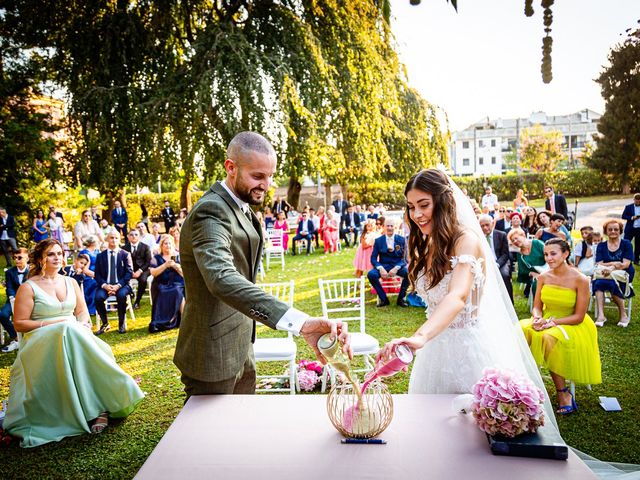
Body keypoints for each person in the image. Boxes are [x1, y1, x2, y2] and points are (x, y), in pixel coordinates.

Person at [173, 131, 350, 396]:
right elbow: (221, 277)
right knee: (213, 435)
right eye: (257, 176)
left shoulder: (241, 207)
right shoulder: (211, 211)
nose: (266, 185)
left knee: (242, 428)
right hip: (213, 353)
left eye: (270, 176)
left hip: (241, 342)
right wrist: (300, 323)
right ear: (230, 167)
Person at [377, 168, 555, 424]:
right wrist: (425, 338)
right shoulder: (429, 241)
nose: (416, 214)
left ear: (444, 201)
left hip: (470, 350)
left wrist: (420, 336)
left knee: (475, 429)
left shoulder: (466, 240)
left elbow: (457, 296)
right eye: (411, 206)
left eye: (424, 205)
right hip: (435, 349)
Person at [3, 238, 144, 447]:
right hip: (39, 340)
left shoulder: (69, 281)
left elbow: (81, 312)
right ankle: (95, 404)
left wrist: (85, 325)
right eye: (51, 254)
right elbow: (20, 324)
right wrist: (56, 323)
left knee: (73, 331)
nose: (57, 258)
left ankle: (101, 406)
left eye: (60, 253)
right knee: (66, 328)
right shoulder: (29, 287)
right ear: (41, 258)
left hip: (72, 335)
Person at [520, 238, 601, 414]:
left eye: (553, 254)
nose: (549, 258)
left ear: (565, 254)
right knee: (520, 330)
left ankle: (563, 393)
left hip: (572, 323)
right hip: (547, 319)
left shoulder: (580, 279)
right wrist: (537, 318)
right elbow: (536, 306)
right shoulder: (543, 277)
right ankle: (522, 388)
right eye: (546, 254)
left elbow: (579, 316)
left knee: (549, 337)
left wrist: (552, 323)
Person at [592, 219, 634, 328]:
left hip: (624, 273)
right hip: (604, 273)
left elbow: (626, 264)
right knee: (598, 283)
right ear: (606, 231)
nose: (613, 231)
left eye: (616, 229)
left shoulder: (626, 244)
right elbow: (599, 263)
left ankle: (623, 314)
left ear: (620, 231)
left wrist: (611, 267)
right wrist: (615, 263)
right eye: (610, 229)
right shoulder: (601, 245)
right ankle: (601, 315)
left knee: (610, 283)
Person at [94, 231, 133, 335]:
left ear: (119, 239)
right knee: (98, 297)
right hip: (105, 285)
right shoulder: (100, 256)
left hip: (121, 285)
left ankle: (121, 323)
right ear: (107, 239)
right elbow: (97, 274)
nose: (114, 240)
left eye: (116, 238)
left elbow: (129, 273)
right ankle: (105, 323)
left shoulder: (125, 255)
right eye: (111, 238)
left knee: (121, 295)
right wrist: (105, 285)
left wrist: (118, 285)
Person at [367, 217, 409, 308]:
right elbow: (373, 258)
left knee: (409, 273)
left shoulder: (402, 240)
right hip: (383, 266)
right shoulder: (378, 241)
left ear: (395, 227)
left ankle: (401, 298)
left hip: (397, 266)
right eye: (387, 226)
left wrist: (396, 267)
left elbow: (405, 258)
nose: (389, 228)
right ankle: (383, 299)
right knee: (371, 274)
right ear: (384, 227)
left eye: (391, 226)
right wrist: (380, 268)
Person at [149, 235, 184, 333]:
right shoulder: (156, 258)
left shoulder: (178, 256)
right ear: (161, 246)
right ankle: (161, 321)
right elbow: (153, 273)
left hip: (177, 283)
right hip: (161, 283)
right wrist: (165, 265)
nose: (167, 245)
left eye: (169, 243)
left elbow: (184, 275)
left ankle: (183, 321)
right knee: (161, 290)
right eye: (165, 243)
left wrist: (176, 267)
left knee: (177, 290)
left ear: (172, 245)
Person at [0, 248, 29, 353]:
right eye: (14, 258)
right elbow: (9, 287)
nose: (16, 260)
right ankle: (16, 337)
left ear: (27, 258)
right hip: (13, 299)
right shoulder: (10, 272)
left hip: (29, 300)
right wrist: (12, 297)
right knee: (2, 314)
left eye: (19, 257)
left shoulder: (32, 271)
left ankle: (30, 338)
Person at [479, 214, 513, 303]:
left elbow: (505, 254)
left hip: (499, 262)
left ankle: (509, 302)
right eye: (482, 226)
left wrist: (497, 264)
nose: (485, 228)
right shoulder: (478, 238)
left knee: (504, 275)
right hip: (484, 263)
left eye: (487, 225)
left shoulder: (501, 235)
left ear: (492, 223)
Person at [509, 229, 546, 298]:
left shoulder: (537, 243)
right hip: (537, 276)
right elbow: (522, 270)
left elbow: (549, 255)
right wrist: (531, 273)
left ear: (523, 235)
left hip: (549, 270)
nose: (515, 241)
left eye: (516, 238)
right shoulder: (520, 254)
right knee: (536, 283)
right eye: (513, 241)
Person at [123, 229, 152, 309]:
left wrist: (139, 271)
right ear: (128, 236)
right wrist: (130, 271)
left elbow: (148, 262)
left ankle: (137, 301)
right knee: (122, 278)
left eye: (136, 234)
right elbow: (122, 262)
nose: (134, 236)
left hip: (144, 269)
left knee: (143, 280)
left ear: (139, 236)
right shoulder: (124, 248)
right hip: (129, 270)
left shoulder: (145, 247)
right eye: (131, 235)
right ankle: (130, 294)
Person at [79, 235, 101, 316]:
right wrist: (96, 275)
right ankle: (91, 309)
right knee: (94, 283)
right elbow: (84, 269)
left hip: (97, 274)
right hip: (87, 276)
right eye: (97, 241)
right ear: (93, 243)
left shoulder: (97, 251)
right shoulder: (84, 253)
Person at [621, 193, 640, 264]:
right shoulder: (629, 207)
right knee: (626, 243)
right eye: (636, 200)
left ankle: (636, 260)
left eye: (639, 201)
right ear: (634, 200)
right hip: (630, 229)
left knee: (638, 245)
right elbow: (623, 216)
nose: (637, 202)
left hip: (639, 229)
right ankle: (624, 258)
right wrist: (632, 218)